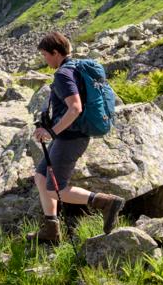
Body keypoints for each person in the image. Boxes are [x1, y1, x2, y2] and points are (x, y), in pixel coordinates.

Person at [31, 32, 124, 245]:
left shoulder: (63, 75)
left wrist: (51, 132)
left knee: (56, 188)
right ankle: (51, 229)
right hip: (71, 135)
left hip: (70, 138)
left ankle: (106, 203)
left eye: (45, 55)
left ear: (56, 53)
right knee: (41, 176)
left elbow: (75, 108)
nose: (45, 60)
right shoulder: (77, 67)